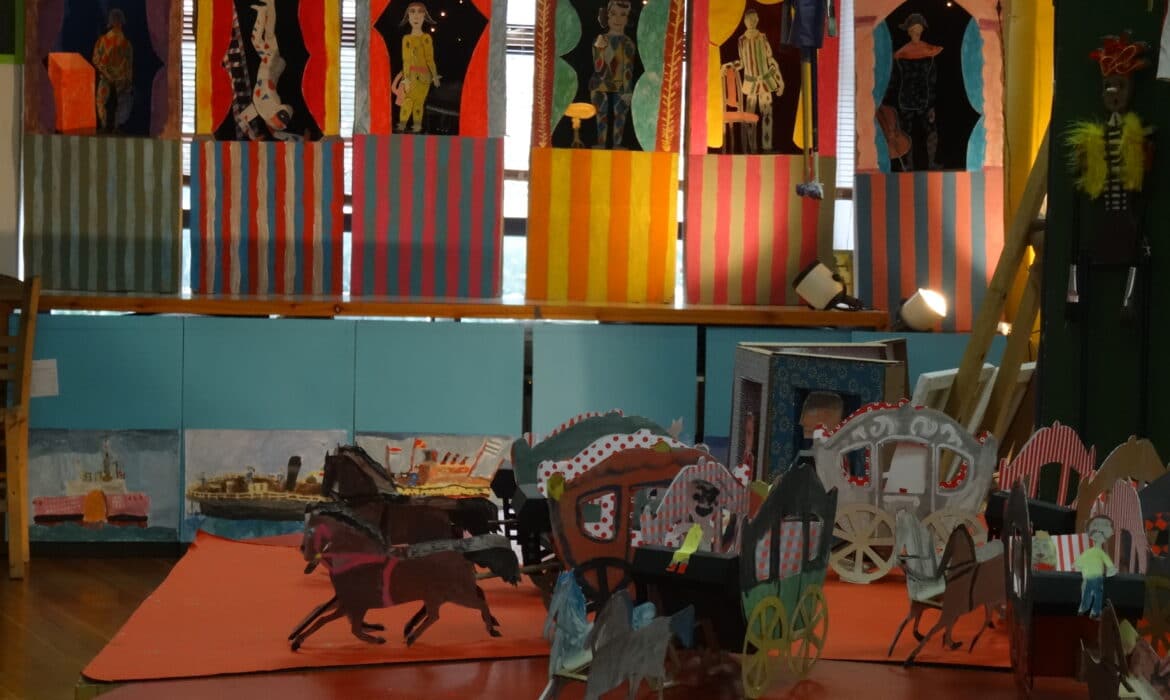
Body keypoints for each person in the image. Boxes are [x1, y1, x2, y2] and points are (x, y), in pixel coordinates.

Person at [889, 13, 942, 170]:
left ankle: (931, 162)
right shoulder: (901, 54)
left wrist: (932, 103)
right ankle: (907, 164)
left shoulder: (929, 51)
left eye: (919, 29)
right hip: (906, 98)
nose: (916, 32)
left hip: (925, 98)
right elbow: (896, 78)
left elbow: (932, 78)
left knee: (930, 129)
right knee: (905, 132)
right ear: (909, 31)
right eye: (913, 29)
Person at [589, 0, 636, 149]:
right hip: (600, 83)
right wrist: (600, 50)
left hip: (620, 84)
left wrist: (627, 90)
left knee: (620, 114)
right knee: (600, 114)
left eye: (623, 14)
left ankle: (617, 144)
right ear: (606, 16)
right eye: (613, 14)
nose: (617, 19)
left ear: (628, 18)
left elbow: (628, 68)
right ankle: (601, 143)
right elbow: (598, 67)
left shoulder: (628, 43)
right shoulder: (600, 40)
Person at [736, 9, 784, 151]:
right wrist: (727, 66)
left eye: (754, 19)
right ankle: (752, 149)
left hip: (765, 82)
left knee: (767, 114)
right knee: (750, 115)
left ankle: (767, 147)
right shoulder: (741, 40)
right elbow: (741, 63)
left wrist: (780, 82)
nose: (751, 22)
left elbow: (770, 60)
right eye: (749, 19)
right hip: (750, 83)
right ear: (745, 21)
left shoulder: (763, 38)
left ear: (757, 20)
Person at [396, 2, 440, 133]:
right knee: (407, 101)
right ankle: (402, 126)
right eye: (412, 12)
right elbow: (406, 60)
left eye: (420, 12)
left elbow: (430, 59)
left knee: (419, 103)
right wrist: (406, 79)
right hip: (410, 76)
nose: (416, 16)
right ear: (408, 16)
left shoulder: (426, 38)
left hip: (424, 77)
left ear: (424, 16)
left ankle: (416, 127)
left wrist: (435, 76)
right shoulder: (406, 39)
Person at [92, 8, 134, 132]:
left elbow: (96, 59)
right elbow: (129, 66)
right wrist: (128, 81)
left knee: (101, 101)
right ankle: (116, 126)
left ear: (110, 22)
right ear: (121, 23)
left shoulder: (103, 41)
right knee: (121, 103)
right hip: (121, 79)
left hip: (106, 78)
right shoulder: (127, 45)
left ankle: (104, 125)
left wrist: (105, 72)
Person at [1075, 515, 1118, 619]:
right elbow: (1080, 561)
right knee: (1088, 592)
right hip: (1088, 576)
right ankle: (1085, 608)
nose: (1099, 528)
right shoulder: (1089, 551)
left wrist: (1111, 569)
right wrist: (1077, 565)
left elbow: (1108, 562)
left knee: (1096, 593)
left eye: (1105, 525)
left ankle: (1093, 611)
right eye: (1095, 525)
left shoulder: (1100, 552)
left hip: (1097, 577)